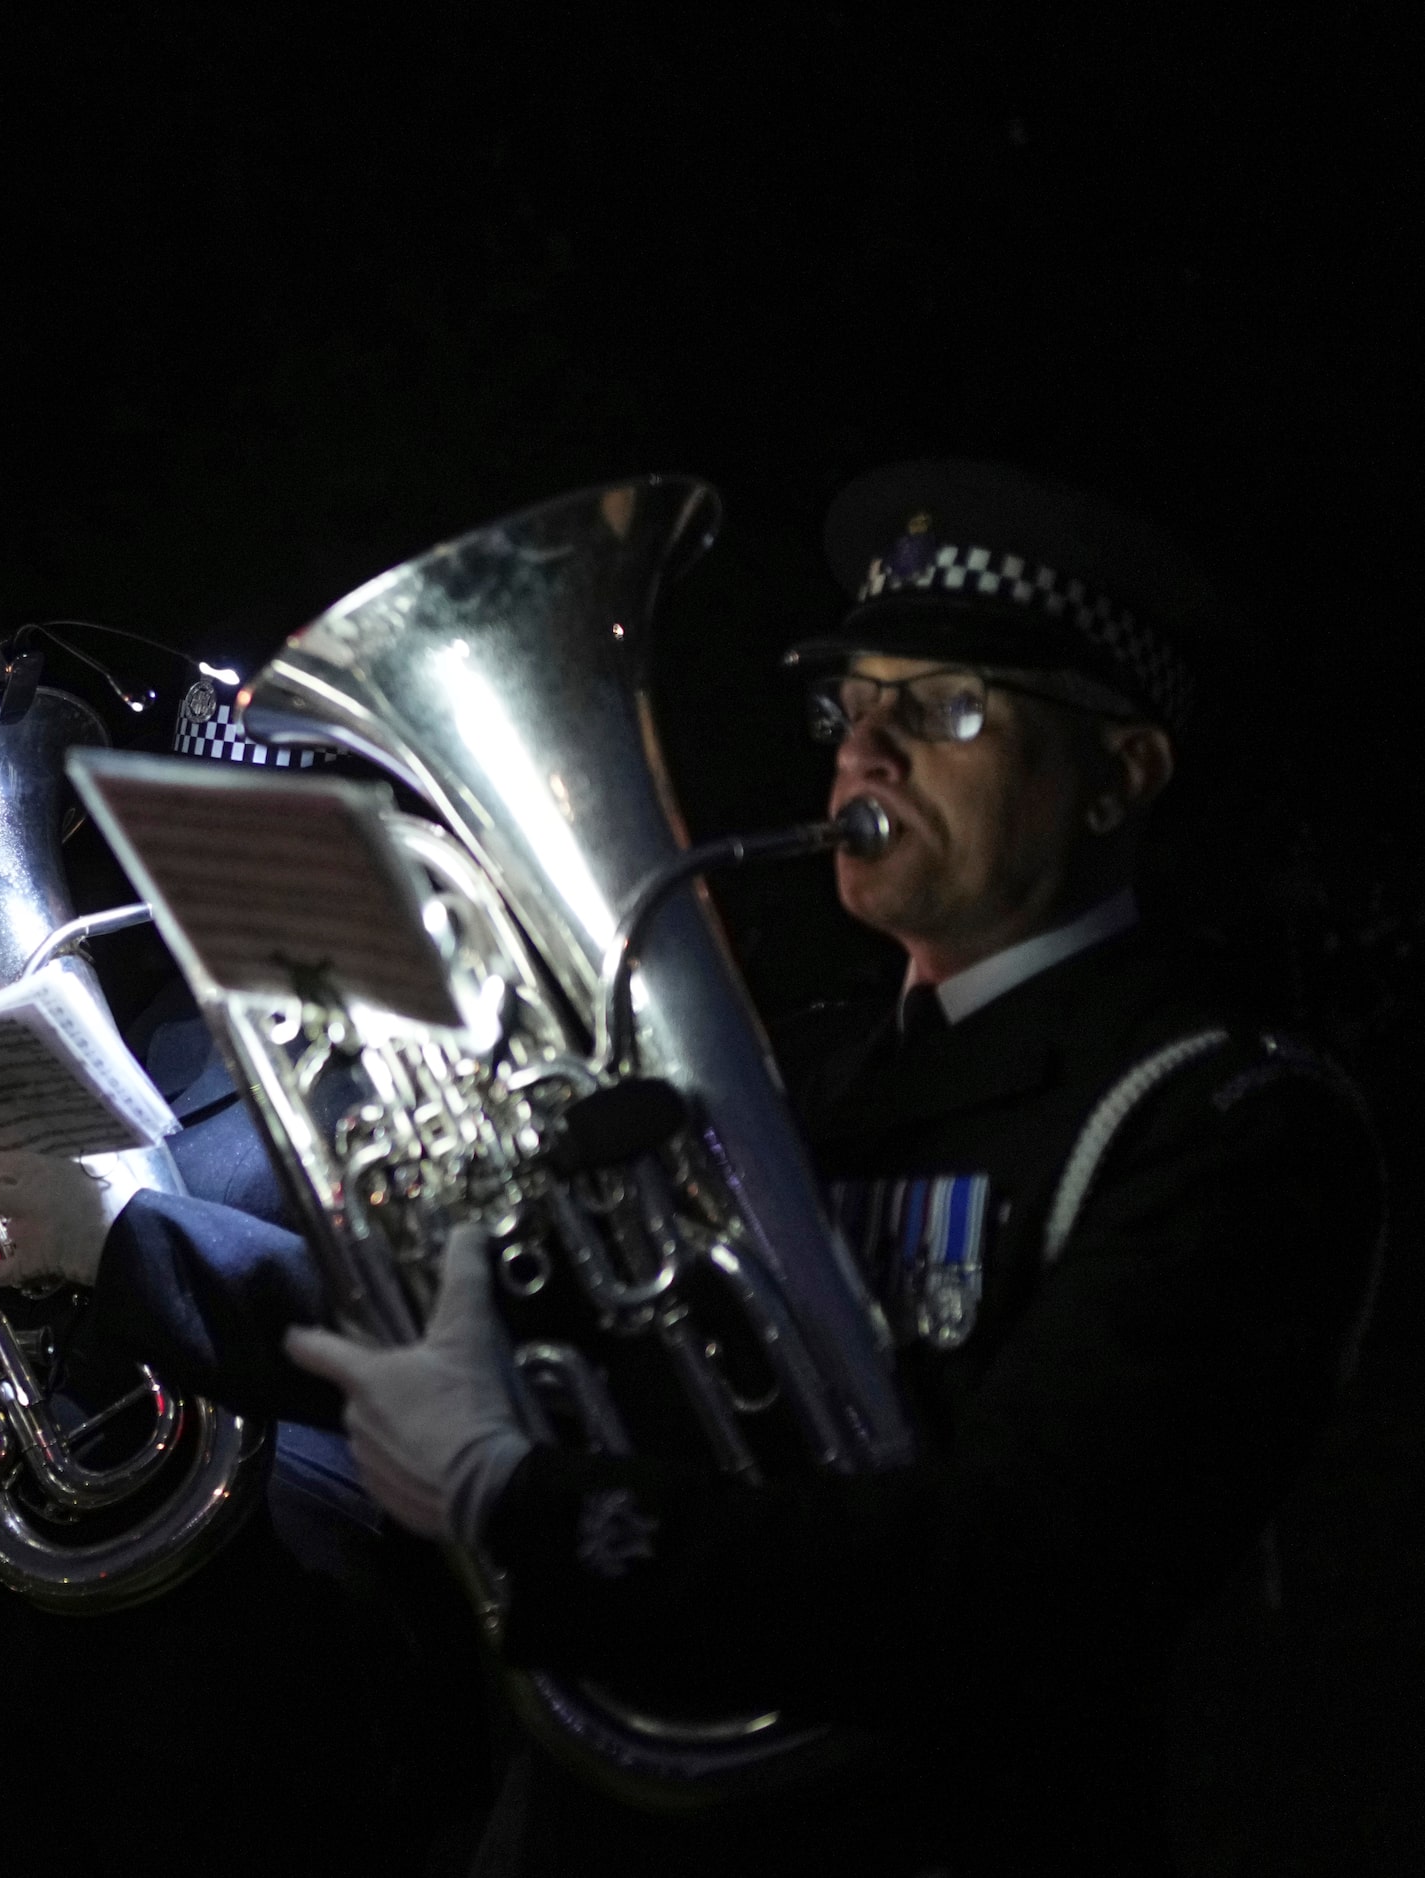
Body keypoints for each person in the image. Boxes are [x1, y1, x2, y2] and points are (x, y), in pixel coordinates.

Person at [284, 462, 1385, 1875]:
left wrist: (526, 1501)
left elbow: (1015, 1577)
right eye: (851, 708)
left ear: (1120, 773)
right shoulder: (797, 1067)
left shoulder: (1223, 1117)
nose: (864, 754)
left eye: (948, 709)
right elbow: (529, 1353)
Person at [0, 644, 497, 1875]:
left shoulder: (451, 1035)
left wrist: (123, 1242)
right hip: (104, 1638)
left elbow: (410, 1317)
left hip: (320, 1639)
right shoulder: (153, 1029)